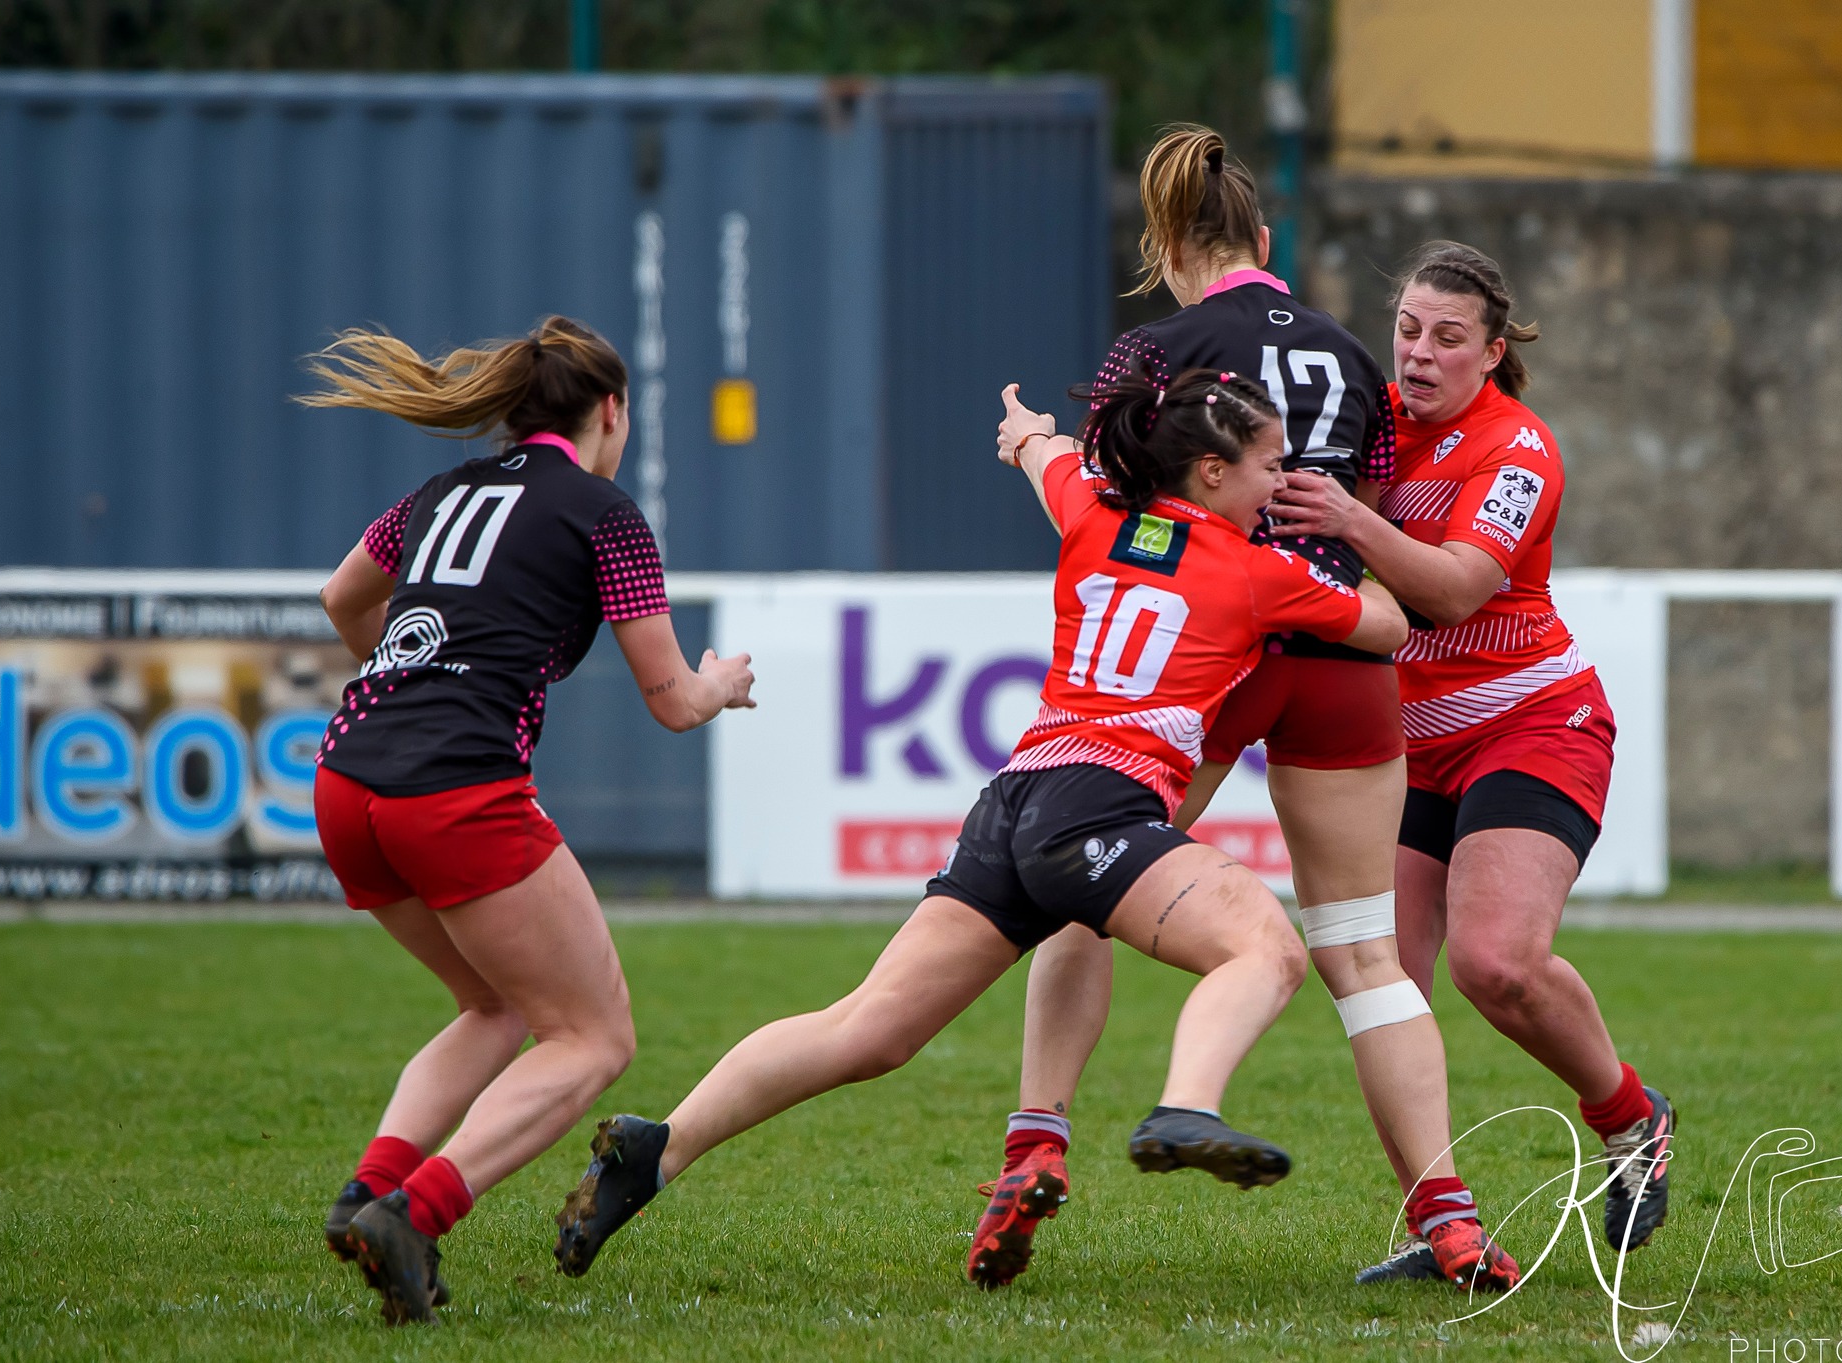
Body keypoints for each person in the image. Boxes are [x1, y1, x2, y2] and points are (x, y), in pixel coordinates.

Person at [549, 367, 1410, 1280]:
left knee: (868, 1027)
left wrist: (1027, 431)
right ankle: (1187, 1105)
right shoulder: (1261, 572)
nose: (1282, 485)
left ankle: (659, 1147)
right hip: (1101, 805)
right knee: (1266, 951)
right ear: (1206, 471)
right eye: (1271, 467)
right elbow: (1389, 625)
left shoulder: (1091, 512)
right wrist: (1350, 525)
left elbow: (1042, 453)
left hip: (1013, 802)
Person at [973, 125, 1519, 1296]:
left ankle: (1035, 1141)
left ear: (1168, 245)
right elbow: (1360, 521)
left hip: (1207, 659)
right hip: (1334, 653)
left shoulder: (1152, 349)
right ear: (1266, 243)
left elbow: (1130, 541)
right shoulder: (1347, 360)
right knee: (1365, 955)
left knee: (1079, 899)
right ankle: (1451, 1220)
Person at [301, 316, 756, 1325]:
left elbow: (342, 598)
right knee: (591, 1036)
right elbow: (672, 699)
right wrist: (721, 682)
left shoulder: (440, 493)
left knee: (493, 1006)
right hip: (455, 790)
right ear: (609, 410)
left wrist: (413, 675)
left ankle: (365, 1193)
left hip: (347, 780)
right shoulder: (602, 513)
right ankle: (411, 1214)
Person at [1265, 241, 1675, 1259]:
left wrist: (1349, 518)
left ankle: (1630, 1117)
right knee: (1377, 982)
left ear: (1491, 352)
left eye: (1447, 338)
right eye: (1406, 330)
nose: (1417, 354)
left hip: (1532, 725)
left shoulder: (1517, 448)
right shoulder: (1365, 425)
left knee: (1494, 964)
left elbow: (1450, 588)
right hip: (1406, 751)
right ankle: (1438, 1218)